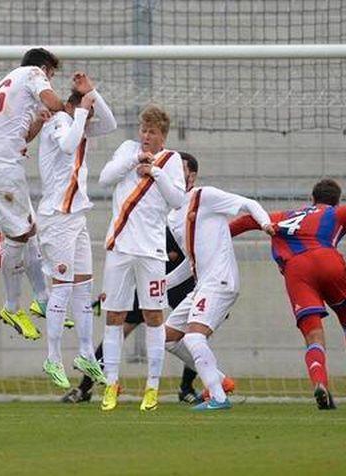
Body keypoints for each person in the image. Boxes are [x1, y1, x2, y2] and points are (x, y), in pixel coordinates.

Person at [229, 178, 346, 409]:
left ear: (311, 199)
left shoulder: (284, 216)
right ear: (336, 201)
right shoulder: (335, 214)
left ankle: (320, 384)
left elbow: (247, 221)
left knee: (313, 336)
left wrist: (212, 236)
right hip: (327, 260)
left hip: (297, 271)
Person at [61, 152, 204, 405]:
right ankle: (86, 386)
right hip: (149, 264)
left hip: (181, 277)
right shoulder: (155, 190)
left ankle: (186, 386)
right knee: (118, 324)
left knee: (194, 331)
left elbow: (198, 243)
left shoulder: (196, 201)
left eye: (181, 170)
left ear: (190, 175)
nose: (175, 173)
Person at [0, 48, 92, 341]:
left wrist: (40, 120)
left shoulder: (11, 83)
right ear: (45, 69)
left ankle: (41, 298)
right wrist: (77, 108)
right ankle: (12, 306)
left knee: (31, 230)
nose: (50, 79)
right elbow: (52, 100)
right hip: (0, 165)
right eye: (51, 74)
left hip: (2, 163)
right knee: (18, 236)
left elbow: (23, 135)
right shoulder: (33, 73)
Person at [162, 156, 274, 411]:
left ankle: (219, 398)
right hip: (202, 284)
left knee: (193, 337)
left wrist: (265, 223)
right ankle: (220, 381)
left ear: (192, 176)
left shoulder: (205, 196)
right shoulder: (172, 217)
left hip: (221, 281)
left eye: (180, 172)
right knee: (165, 338)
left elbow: (249, 203)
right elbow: (190, 263)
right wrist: (161, 283)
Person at [97, 105, 186, 412]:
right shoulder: (127, 150)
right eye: (144, 130)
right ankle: (111, 384)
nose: (146, 136)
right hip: (120, 247)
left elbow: (177, 200)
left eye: (153, 132)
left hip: (151, 251)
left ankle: (153, 387)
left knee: (153, 316)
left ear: (163, 136)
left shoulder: (172, 160)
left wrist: (155, 172)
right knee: (114, 316)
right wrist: (135, 160)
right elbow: (105, 179)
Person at [36, 76, 117, 389]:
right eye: (85, 109)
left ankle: (85, 352)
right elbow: (68, 145)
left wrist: (93, 92)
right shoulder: (59, 121)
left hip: (76, 216)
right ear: (72, 106)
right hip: (56, 217)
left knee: (84, 285)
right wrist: (81, 109)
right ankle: (53, 357)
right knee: (63, 286)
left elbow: (109, 124)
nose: (89, 116)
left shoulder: (80, 123)